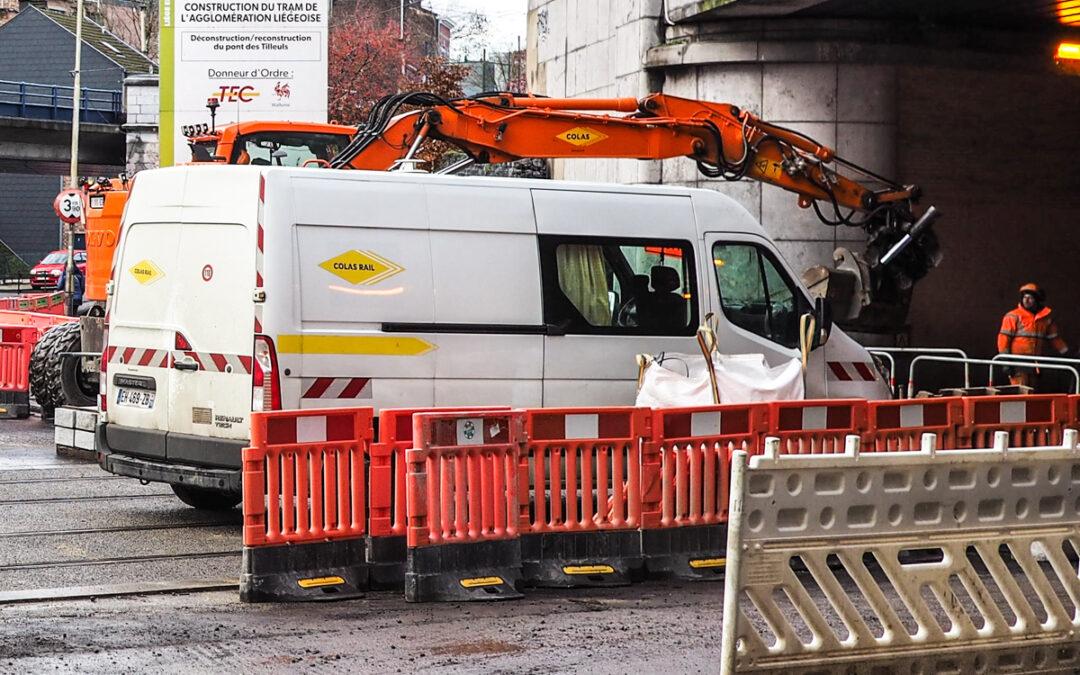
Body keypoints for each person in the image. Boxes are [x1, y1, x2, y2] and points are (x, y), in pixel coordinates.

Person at [997, 282, 1068, 388]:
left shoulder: (1045, 319)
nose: (1026, 300)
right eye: (1024, 297)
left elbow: (1054, 339)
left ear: (1037, 300)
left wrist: (1067, 353)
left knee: (1032, 393)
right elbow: (1003, 339)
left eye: (1030, 298)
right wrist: (1005, 362)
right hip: (1017, 362)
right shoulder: (1013, 316)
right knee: (1021, 393)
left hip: (1035, 363)